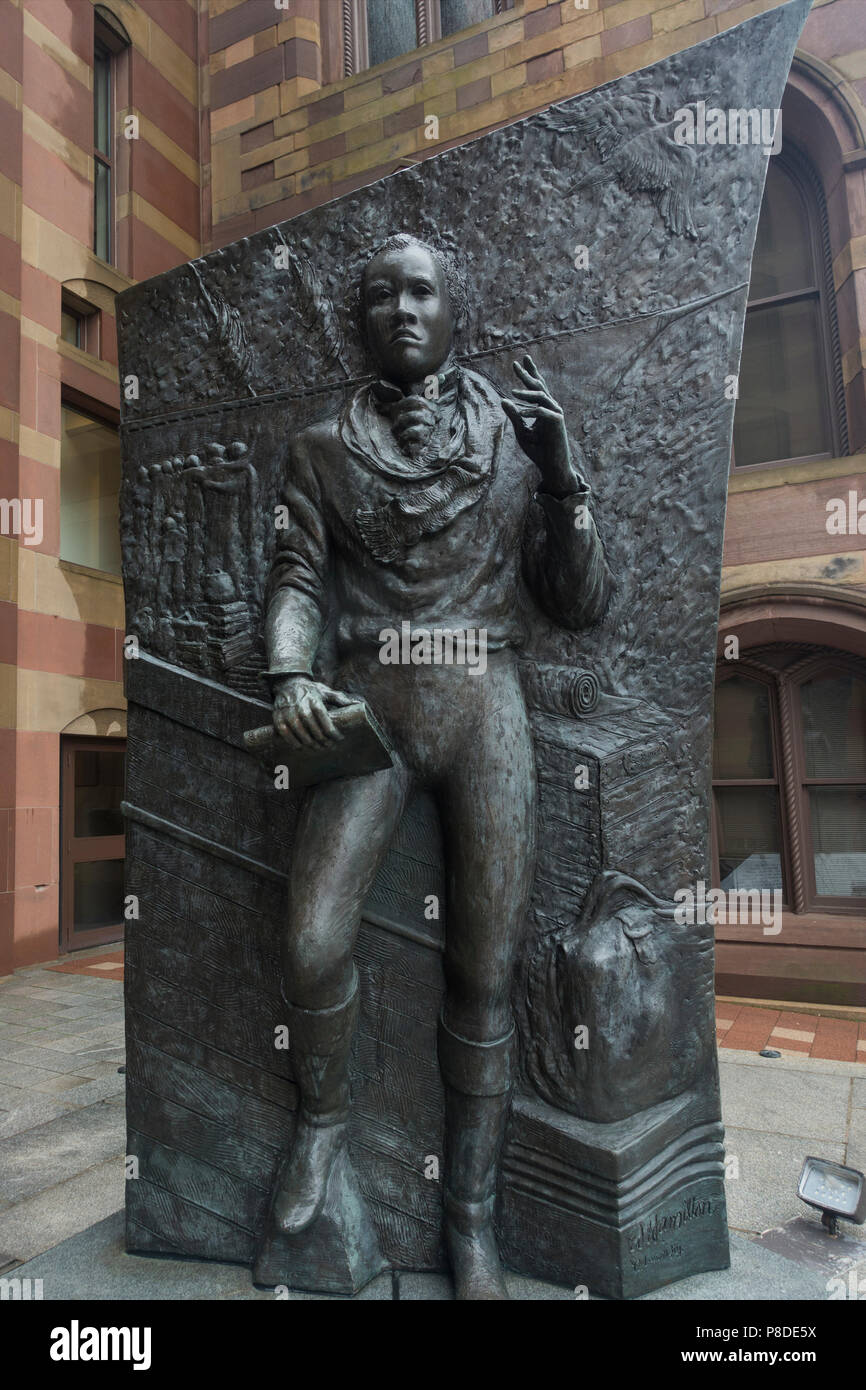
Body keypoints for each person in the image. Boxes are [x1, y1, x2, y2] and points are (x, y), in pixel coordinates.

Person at [262, 233, 613, 1299]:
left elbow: (581, 602)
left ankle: (470, 1225)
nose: (400, 311)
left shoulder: (516, 440)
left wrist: (564, 482)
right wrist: (287, 675)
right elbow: (295, 580)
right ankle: (321, 1132)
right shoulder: (319, 448)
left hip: (481, 706)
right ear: (360, 322)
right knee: (311, 939)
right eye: (379, 298)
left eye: (420, 292)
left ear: (452, 307)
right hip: (370, 709)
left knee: (482, 971)